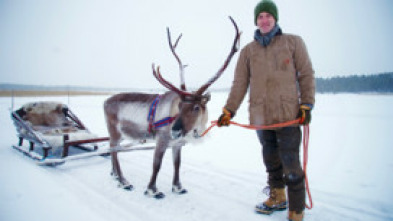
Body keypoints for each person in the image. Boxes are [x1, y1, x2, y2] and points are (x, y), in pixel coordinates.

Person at [216, 0, 315, 220]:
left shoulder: (293, 42)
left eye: (268, 16)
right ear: (256, 21)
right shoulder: (248, 51)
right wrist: (229, 110)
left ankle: (296, 211)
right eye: (260, 16)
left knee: (291, 163)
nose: (264, 20)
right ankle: (278, 197)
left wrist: (307, 104)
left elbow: (306, 74)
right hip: (261, 116)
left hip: (288, 116)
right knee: (271, 160)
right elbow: (239, 83)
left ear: (275, 18)